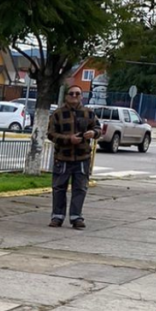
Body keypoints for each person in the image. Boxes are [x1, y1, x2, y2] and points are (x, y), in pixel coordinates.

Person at [47, 87, 99, 229]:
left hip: (83, 157)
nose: (74, 96)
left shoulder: (88, 113)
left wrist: (93, 133)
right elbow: (51, 134)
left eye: (77, 94)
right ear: (66, 96)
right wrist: (68, 139)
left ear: (81, 96)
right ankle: (57, 216)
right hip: (62, 157)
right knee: (59, 188)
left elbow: (98, 128)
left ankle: (76, 217)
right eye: (71, 93)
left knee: (80, 188)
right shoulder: (58, 114)